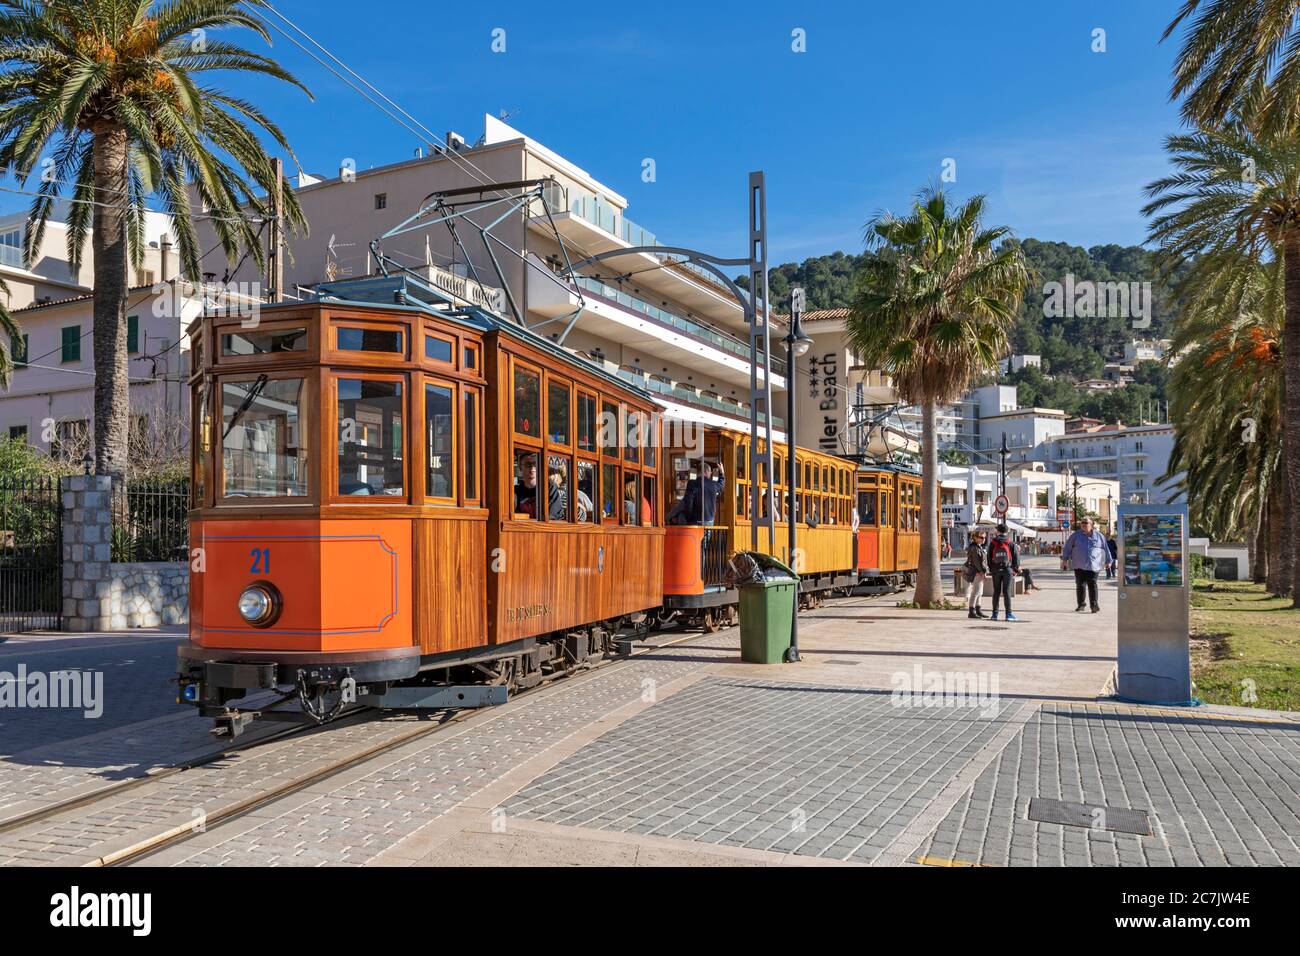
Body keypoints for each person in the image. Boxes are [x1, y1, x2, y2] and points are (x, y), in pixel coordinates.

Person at [1062, 516, 1109, 613]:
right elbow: (1067, 547)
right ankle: (1081, 605)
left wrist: (1109, 561)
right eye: (1082, 522)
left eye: (1086, 523)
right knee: (1080, 585)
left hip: (1094, 565)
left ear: (1091, 525)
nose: (1083, 524)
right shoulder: (1075, 535)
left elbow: (1105, 549)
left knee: (1093, 584)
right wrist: (1064, 560)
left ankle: (1094, 605)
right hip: (1079, 564)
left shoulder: (1099, 536)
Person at [674, 459, 725, 525]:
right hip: (709, 521)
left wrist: (688, 518)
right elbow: (721, 485)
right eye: (710, 472)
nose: (710, 473)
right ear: (706, 471)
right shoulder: (713, 485)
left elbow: (688, 503)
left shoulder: (692, 484)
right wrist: (722, 472)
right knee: (706, 535)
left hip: (695, 520)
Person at [986, 523, 1020, 622]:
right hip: (1007, 570)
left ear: (998, 531)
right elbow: (1016, 558)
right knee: (1006, 592)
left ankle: (994, 614)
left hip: (996, 570)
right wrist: (1015, 570)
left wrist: (991, 569)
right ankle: (1008, 615)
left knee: (996, 592)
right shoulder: (1010, 543)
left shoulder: (993, 543)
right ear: (1007, 531)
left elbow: (988, 558)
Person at [963, 530, 989, 619]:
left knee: (980, 592)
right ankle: (971, 611)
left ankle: (978, 610)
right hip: (976, 572)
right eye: (981, 537)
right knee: (975, 592)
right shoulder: (974, 548)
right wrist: (982, 572)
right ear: (975, 538)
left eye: (984, 537)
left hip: (979, 572)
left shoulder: (979, 547)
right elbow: (976, 562)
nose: (983, 539)